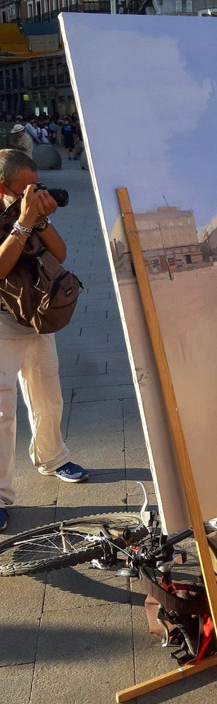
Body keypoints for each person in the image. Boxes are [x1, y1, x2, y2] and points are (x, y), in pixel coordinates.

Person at [0, 149, 87, 532]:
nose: (35, 192)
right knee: (3, 414)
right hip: (3, 322)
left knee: (48, 393)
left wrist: (41, 219)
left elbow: (62, 252)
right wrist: (22, 223)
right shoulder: (17, 212)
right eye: (27, 187)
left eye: (38, 184)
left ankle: (52, 457)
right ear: (2, 186)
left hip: (37, 317)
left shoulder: (33, 209)